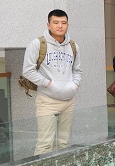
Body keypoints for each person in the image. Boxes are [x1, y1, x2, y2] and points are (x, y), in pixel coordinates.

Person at [22, 9, 82, 155]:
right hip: (47, 101)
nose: (60, 26)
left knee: (64, 144)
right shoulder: (37, 44)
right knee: (45, 145)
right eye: (56, 22)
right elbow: (28, 71)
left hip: (69, 101)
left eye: (63, 23)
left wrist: (74, 85)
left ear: (68, 25)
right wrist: (49, 84)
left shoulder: (73, 46)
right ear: (48, 25)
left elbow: (77, 70)